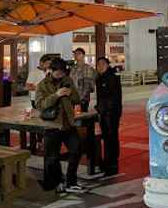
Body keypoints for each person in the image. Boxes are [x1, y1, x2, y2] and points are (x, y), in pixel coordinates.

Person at [36, 57, 85, 193]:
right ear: (51, 70)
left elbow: (77, 99)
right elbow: (40, 105)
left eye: (63, 73)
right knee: (52, 158)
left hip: (68, 124)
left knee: (76, 150)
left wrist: (71, 93)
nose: (60, 75)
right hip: (52, 125)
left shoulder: (67, 81)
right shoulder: (43, 85)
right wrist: (56, 95)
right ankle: (56, 183)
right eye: (58, 72)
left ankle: (71, 181)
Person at [95, 56, 123, 177]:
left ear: (107, 65)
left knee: (111, 137)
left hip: (111, 113)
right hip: (105, 112)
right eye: (98, 65)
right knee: (107, 137)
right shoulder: (101, 78)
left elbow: (112, 98)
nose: (100, 66)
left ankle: (112, 164)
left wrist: (105, 110)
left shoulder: (111, 77)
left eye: (102, 64)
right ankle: (108, 162)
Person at [69, 47, 97, 112]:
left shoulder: (87, 68)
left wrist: (82, 97)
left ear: (83, 56)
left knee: (83, 115)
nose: (76, 55)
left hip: (83, 97)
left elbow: (88, 85)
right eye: (75, 54)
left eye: (78, 53)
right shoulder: (73, 68)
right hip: (72, 95)